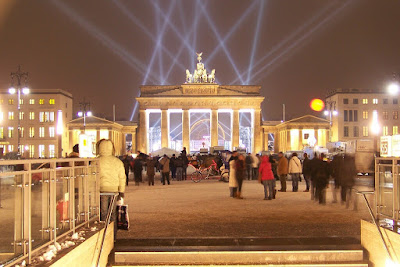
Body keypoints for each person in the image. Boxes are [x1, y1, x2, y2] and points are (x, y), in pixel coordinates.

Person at [97, 139, 125, 240]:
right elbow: (122, 177)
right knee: (113, 214)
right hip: (114, 191)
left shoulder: (96, 161)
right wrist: (121, 192)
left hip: (101, 190)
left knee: (103, 213)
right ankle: (113, 236)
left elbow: (91, 177)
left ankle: (104, 236)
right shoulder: (117, 161)